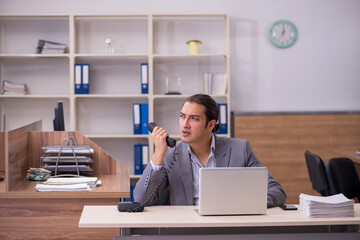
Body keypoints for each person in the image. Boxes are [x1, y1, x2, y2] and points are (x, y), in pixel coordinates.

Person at [134, 94, 286, 207]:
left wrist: (242, 204)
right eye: (182, 116)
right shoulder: (170, 154)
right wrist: (158, 153)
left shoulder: (240, 149)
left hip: (227, 226)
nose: (185, 124)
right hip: (186, 229)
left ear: (210, 125)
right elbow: (140, 199)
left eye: (194, 118)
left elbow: (276, 191)